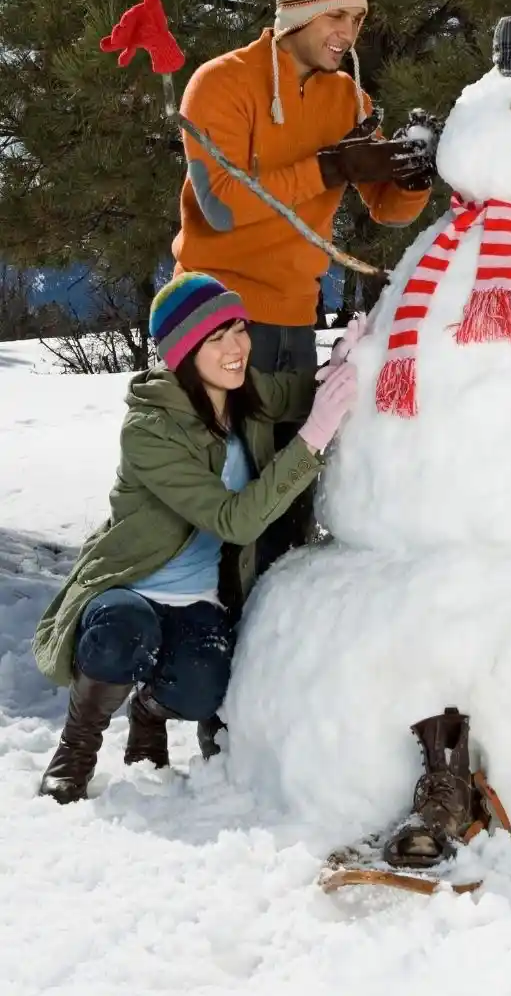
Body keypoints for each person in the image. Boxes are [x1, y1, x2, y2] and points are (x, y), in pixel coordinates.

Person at [32, 273, 358, 805]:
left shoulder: (243, 389)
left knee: (202, 686)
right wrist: (312, 440)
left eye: (239, 329)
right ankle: (77, 747)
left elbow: (300, 391)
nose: (236, 348)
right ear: (184, 352)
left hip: (200, 597)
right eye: (216, 338)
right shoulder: (149, 429)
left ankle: (148, 711)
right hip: (131, 585)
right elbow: (235, 520)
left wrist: (346, 361)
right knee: (120, 635)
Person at [172, 0, 433, 567]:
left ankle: (273, 637)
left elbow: (386, 209)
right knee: (224, 485)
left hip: (294, 317)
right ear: (296, 10)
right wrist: (328, 166)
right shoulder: (221, 83)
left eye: (358, 19)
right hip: (215, 315)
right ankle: (195, 626)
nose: (349, 32)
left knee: (288, 486)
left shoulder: (348, 99)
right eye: (336, 14)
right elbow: (222, 205)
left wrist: (413, 174)